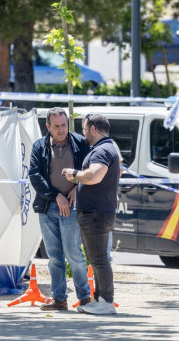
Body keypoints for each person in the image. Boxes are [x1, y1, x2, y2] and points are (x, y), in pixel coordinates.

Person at [29, 107, 91, 311]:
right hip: (48, 206)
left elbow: (89, 169)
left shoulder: (80, 143)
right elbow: (35, 176)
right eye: (56, 126)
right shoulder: (39, 146)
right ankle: (59, 299)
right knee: (54, 256)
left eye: (64, 125)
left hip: (72, 206)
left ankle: (84, 299)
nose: (61, 129)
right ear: (48, 126)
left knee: (74, 253)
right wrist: (57, 196)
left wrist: (77, 189)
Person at [62, 113, 121, 315]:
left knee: (99, 259)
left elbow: (95, 176)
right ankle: (100, 299)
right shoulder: (106, 148)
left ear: (94, 129)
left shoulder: (102, 151)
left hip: (96, 213)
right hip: (97, 211)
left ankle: (106, 302)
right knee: (97, 258)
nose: (83, 132)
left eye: (85, 128)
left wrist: (74, 174)